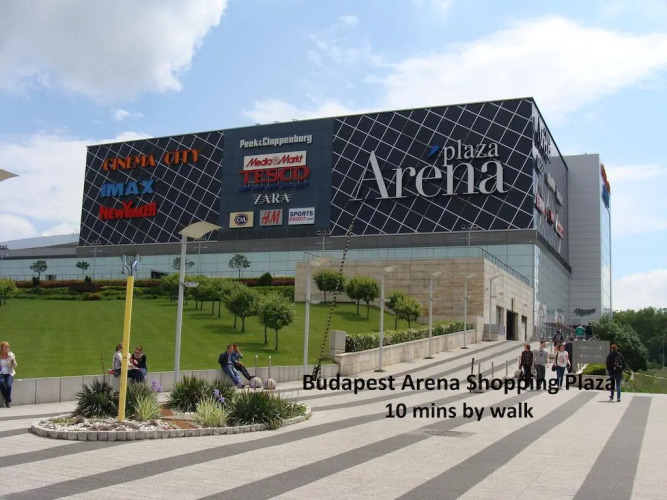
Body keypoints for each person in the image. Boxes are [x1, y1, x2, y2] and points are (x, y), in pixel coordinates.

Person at [0, 341, 18, 408]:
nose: (7, 349)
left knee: (8, 385)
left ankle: (8, 401)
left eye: (8, 347)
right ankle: (7, 398)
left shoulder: (11, 355)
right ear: (1, 348)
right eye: (5, 347)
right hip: (1, 374)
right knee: (1, 383)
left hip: (9, 373)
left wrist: (12, 361)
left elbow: (15, 365)